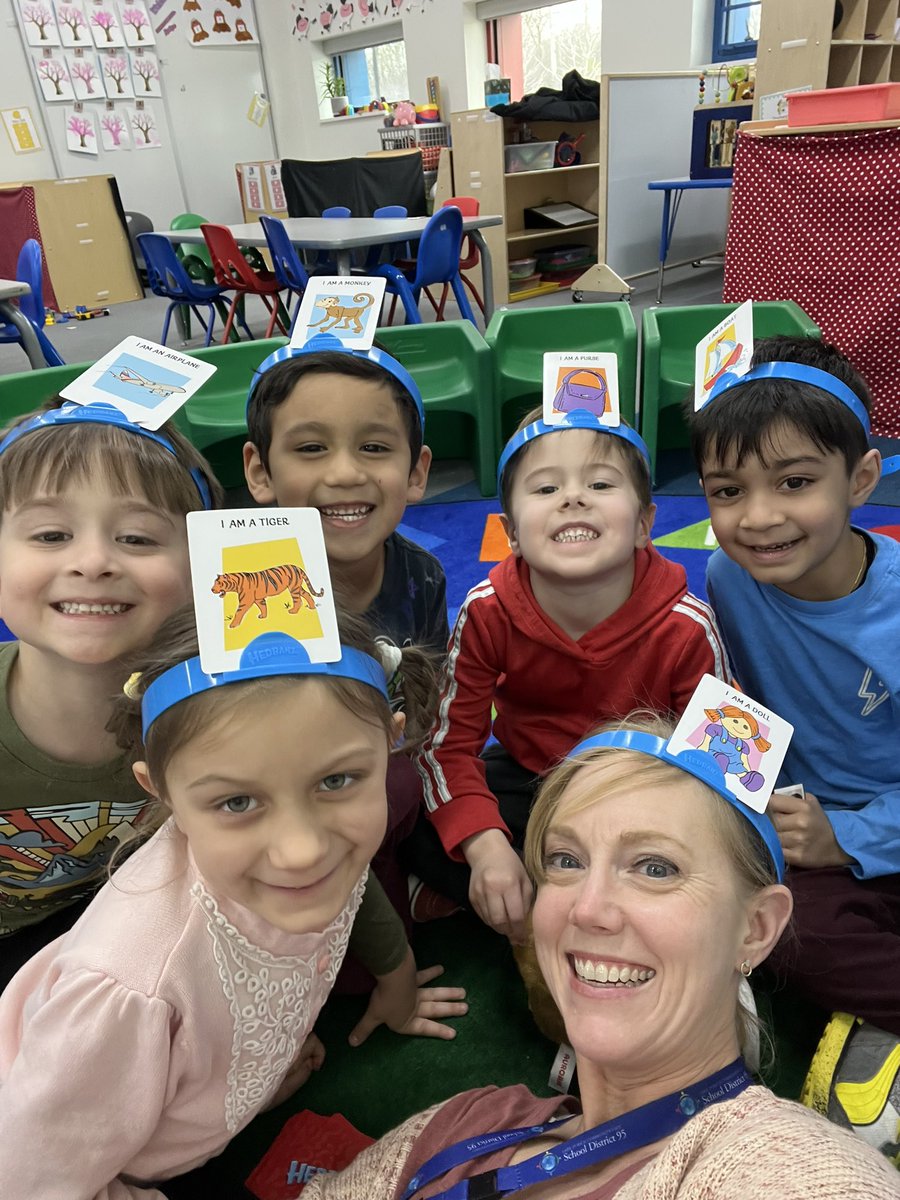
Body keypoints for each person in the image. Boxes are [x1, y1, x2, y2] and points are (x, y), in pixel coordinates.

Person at [299, 713, 899, 1199]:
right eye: (565, 860)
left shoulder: (780, 1169)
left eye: (655, 868)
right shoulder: (470, 1120)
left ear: (756, 929)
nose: (588, 909)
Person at [0, 607, 467, 1200]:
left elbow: (356, 888)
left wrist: (394, 978)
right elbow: (29, 1179)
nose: (302, 852)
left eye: (337, 781)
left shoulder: (309, 864)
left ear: (391, 742)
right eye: (238, 803)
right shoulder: (130, 991)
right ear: (160, 791)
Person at [687, 335, 900, 1147]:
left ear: (863, 479)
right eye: (726, 490)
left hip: (869, 827)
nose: (760, 516)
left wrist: (852, 836)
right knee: (777, 935)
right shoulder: (726, 576)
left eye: (797, 482)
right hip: (805, 842)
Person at [412, 408, 730, 943]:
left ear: (645, 523)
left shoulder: (687, 625)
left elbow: (725, 758)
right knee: (410, 818)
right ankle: (541, 895)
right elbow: (446, 747)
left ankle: (541, 902)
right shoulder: (486, 610)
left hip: (645, 785)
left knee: (718, 856)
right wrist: (486, 845)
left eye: (601, 483)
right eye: (545, 488)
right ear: (510, 533)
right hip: (530, 774)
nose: (573, 497)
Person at [0, 397, 223, 988]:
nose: (94, 561)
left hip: (135, 930)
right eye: (51, 534)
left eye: (137, 538)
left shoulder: (223, 712)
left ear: (204, 567)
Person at [242, 338, 449, 942]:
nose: (345, 472)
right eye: (310, 448)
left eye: (375, 447)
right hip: (277, 810)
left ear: (415, 472)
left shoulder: (422, 576)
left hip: (381, 782)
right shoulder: (245, 585)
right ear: (260, 471)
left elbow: (425, 710)